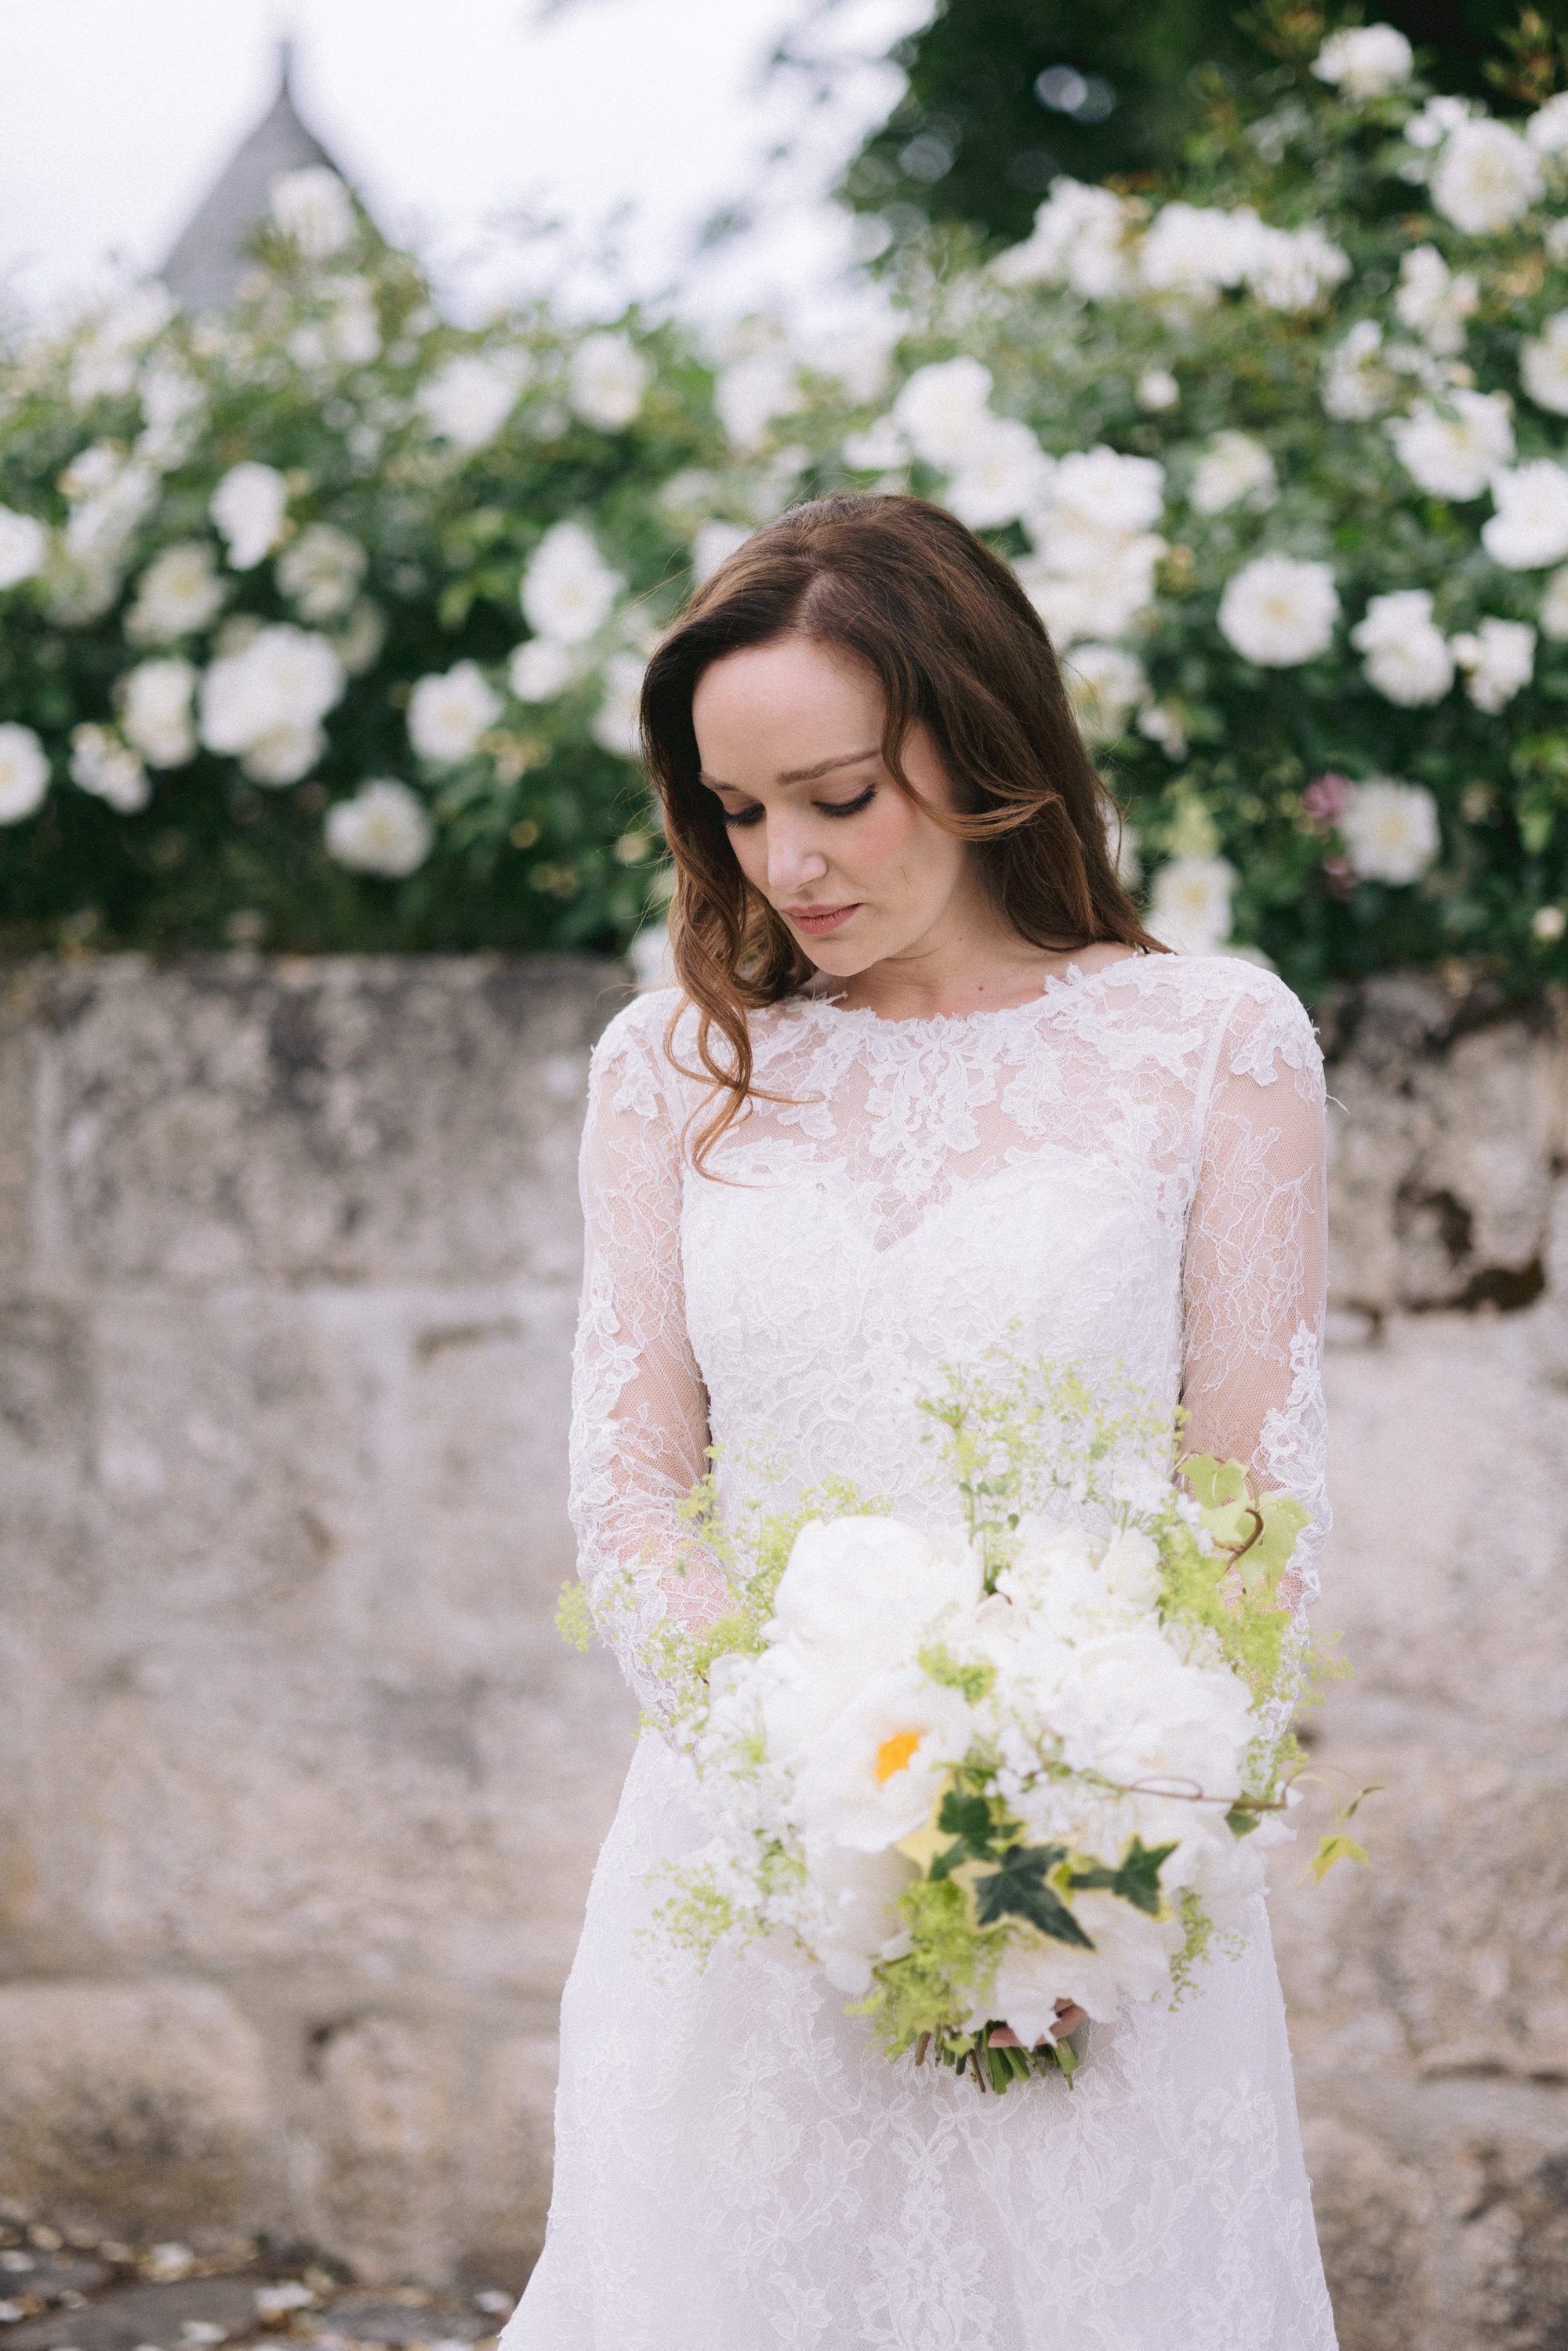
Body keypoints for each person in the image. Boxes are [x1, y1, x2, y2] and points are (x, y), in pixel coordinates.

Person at [503, 494, 1336, 2348]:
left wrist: (1074, 1850)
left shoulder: (1213, 1049)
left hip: (1092, 1895)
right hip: (737, 1878)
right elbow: (634, 1489)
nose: (785, 860)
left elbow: (1253, 1505)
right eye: (738, 811)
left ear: (979, 741)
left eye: (837, 793)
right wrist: (795, 1799)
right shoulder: (672, 1070)